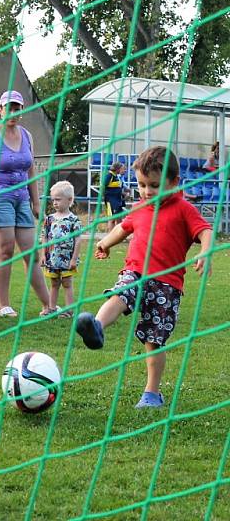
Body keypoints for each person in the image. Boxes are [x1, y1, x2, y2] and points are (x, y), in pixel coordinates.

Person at [76, 146, 213, 408]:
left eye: (154, 185)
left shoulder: (183, 209)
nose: (147, 191)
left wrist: (205, 253)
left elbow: (205, 230)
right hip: (136, 271)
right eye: (141, 185)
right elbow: (123, 228)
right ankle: (97, 327)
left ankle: (152, 393)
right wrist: (105, 243)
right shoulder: (140, 207)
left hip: (167, 284)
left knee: (154, 340)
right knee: (122, 293)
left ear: (174, 182)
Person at [0, 89, 53, 318]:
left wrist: (36, 202)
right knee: (6, 249)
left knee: (32, 254)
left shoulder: (27, 136)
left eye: (17, 108)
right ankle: (3, 305)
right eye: (9, 108)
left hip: (22, 200)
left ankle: (48, 305)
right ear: (0, 110)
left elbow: (30, 170)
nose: (14, 112)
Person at [41, 181, 82, 318]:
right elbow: (45, 237)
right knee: (54, 283)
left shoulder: (73, 220)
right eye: (53, 200)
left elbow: (78, 240)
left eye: (58, 199)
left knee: (67, 283)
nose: (55, 203)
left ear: (69, 200)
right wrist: (43, 254)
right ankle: (51, 309)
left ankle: (69, 310)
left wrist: (74, 259)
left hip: (67, 259)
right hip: (52, 259)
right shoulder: (49, 219)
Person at [103, 161, 128, 231]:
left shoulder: (116, 176)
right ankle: (111, 235)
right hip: (111, 200)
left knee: (119, 218)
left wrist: (123, 194)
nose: (122, 170)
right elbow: (103, 187)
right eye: (121, 168)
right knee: (112, 219)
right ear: (117, 169)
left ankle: (119, 235)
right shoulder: (109, 176)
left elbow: (118, 188)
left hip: (118, 200)